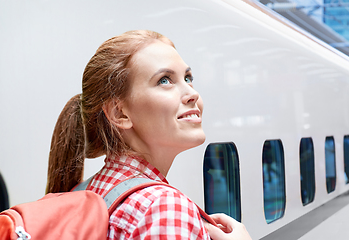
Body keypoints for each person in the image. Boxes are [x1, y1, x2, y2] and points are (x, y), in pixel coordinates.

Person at [45, 30, 252, 240]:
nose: (193, 93)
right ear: (120, 113)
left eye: (188, 78)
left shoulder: (84, 191)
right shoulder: (166, 209)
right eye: (164, 80)